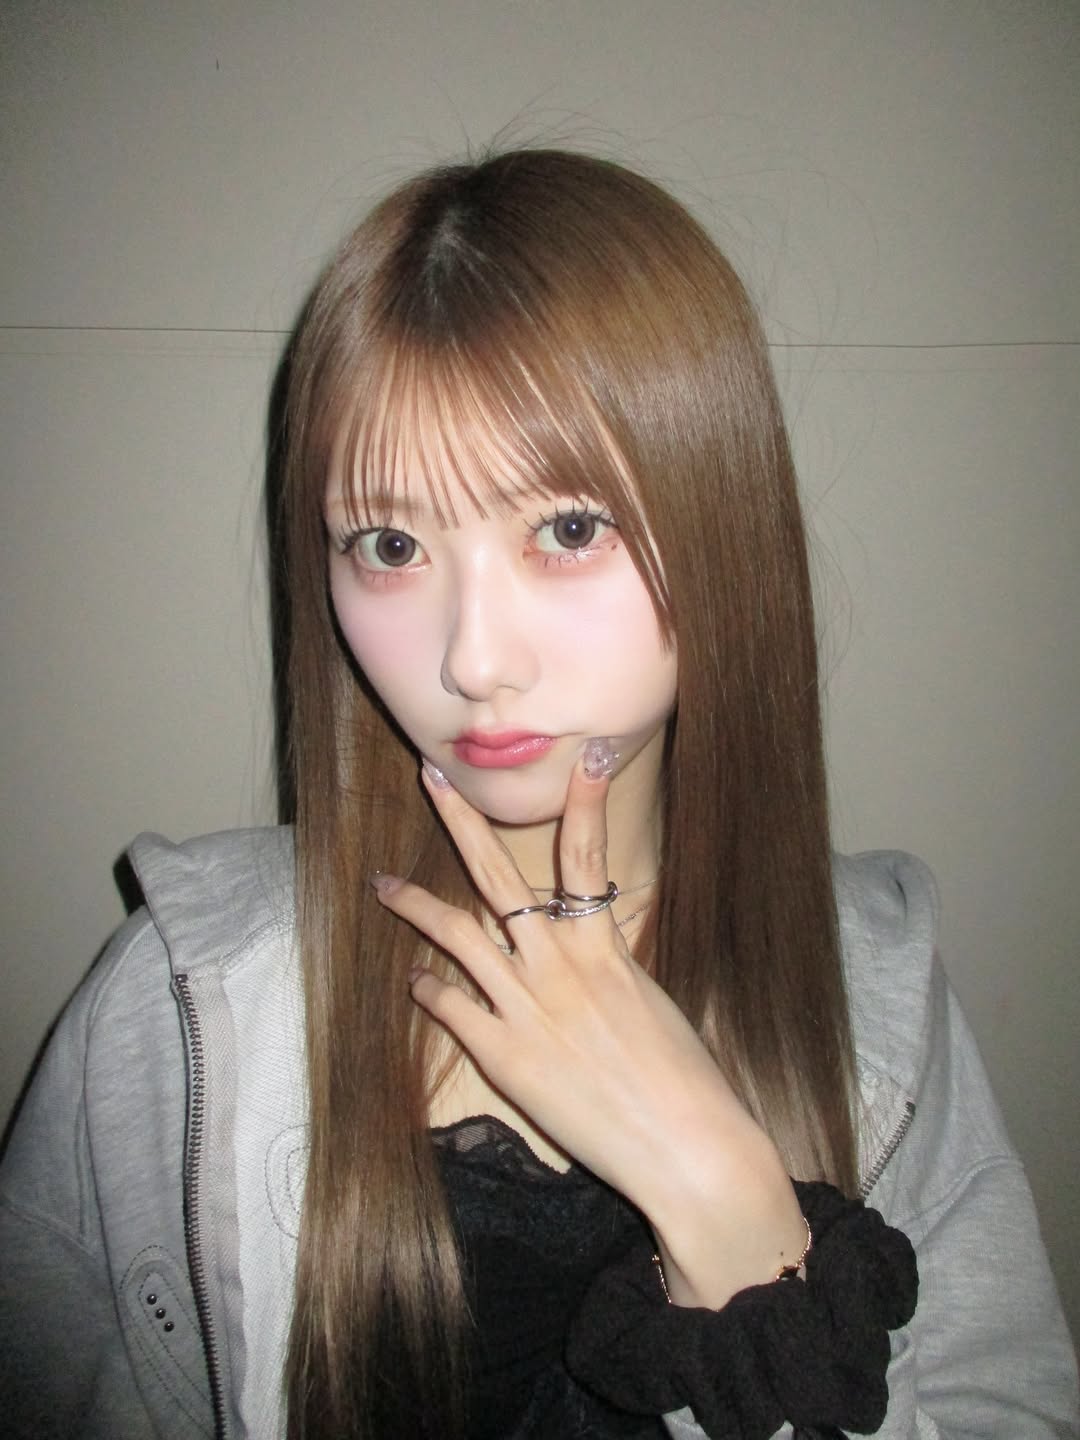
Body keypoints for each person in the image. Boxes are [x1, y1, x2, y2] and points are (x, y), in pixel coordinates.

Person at [1, 149, 1076, 1440]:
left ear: (723, 520)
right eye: (390, 545)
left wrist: (726, 1201)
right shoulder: (182, 1001)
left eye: (567, 530)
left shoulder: (879, 1002)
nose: (473, 660)